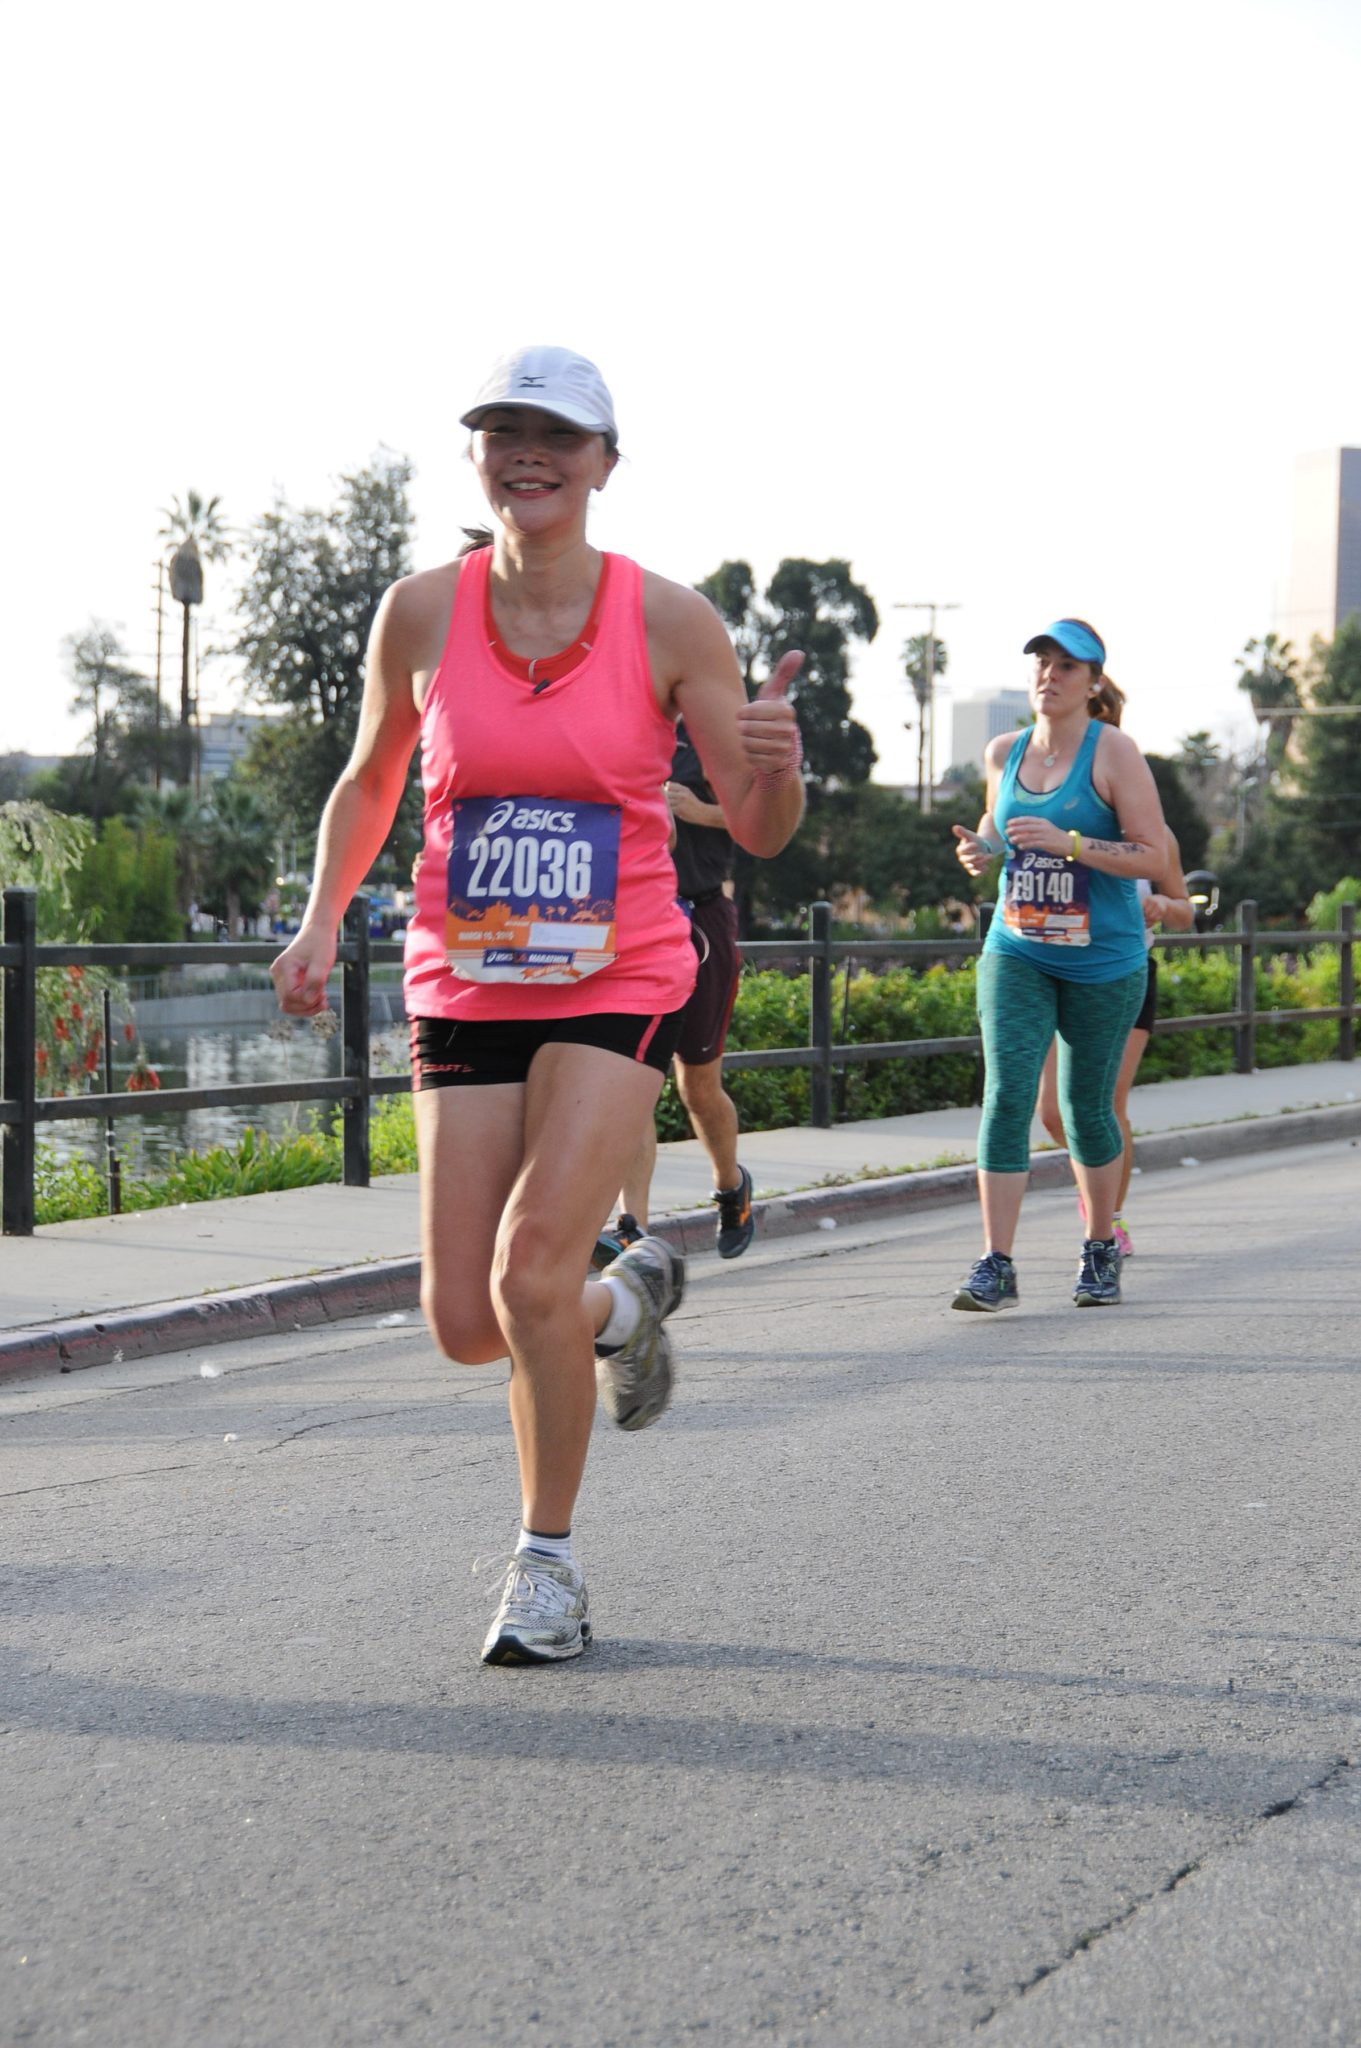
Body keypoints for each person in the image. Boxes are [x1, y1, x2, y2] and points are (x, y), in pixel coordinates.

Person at [269, 346, 804, 1666]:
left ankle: (545, 1567)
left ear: (603, 463)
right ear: (476, 455)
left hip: (619, 971)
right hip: (468, 973)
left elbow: (756, 825)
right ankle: (626, 1307)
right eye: (504, 429)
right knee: (469, 1321)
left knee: (527, 1272)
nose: (529, 452)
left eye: (558, 435)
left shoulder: (670, 621)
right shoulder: (419, 613)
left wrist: (779, 767)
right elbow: (371, 778)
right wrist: (320, 915)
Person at [950, 618, 1168, 1311]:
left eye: (1067, 665)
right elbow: (997, 825)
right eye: (1041, 661)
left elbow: (1154, 855)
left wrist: (1070, 843)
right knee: (1007, 1097)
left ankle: (1099, 1247)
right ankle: (995, 1263)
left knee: (1084, 1109)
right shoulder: (1003, 751)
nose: (1050, 674)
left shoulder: (1115, 753)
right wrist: (980, 850)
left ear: (1093, 683)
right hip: (1017, 947)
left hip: (1103, 961)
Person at [606, 722, 757, 1261]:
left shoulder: (713, 731)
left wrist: (700, 811)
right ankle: (633, 1228)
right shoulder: (617, 726)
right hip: (631, 918)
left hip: (702, 920)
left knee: (698, 1088)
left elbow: (761, 825)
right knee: (634, 1082)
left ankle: (730, 1186)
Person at [1036, 824, 1195, 1256]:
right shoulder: (1058, 822)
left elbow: (1185, 911)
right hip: (1056, 971)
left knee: (1106, 1104)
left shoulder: (1154, 832)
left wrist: (1164, 904)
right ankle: (1097, 1173)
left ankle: (1111, 1218)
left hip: (1124, 974)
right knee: (1052, 1114)